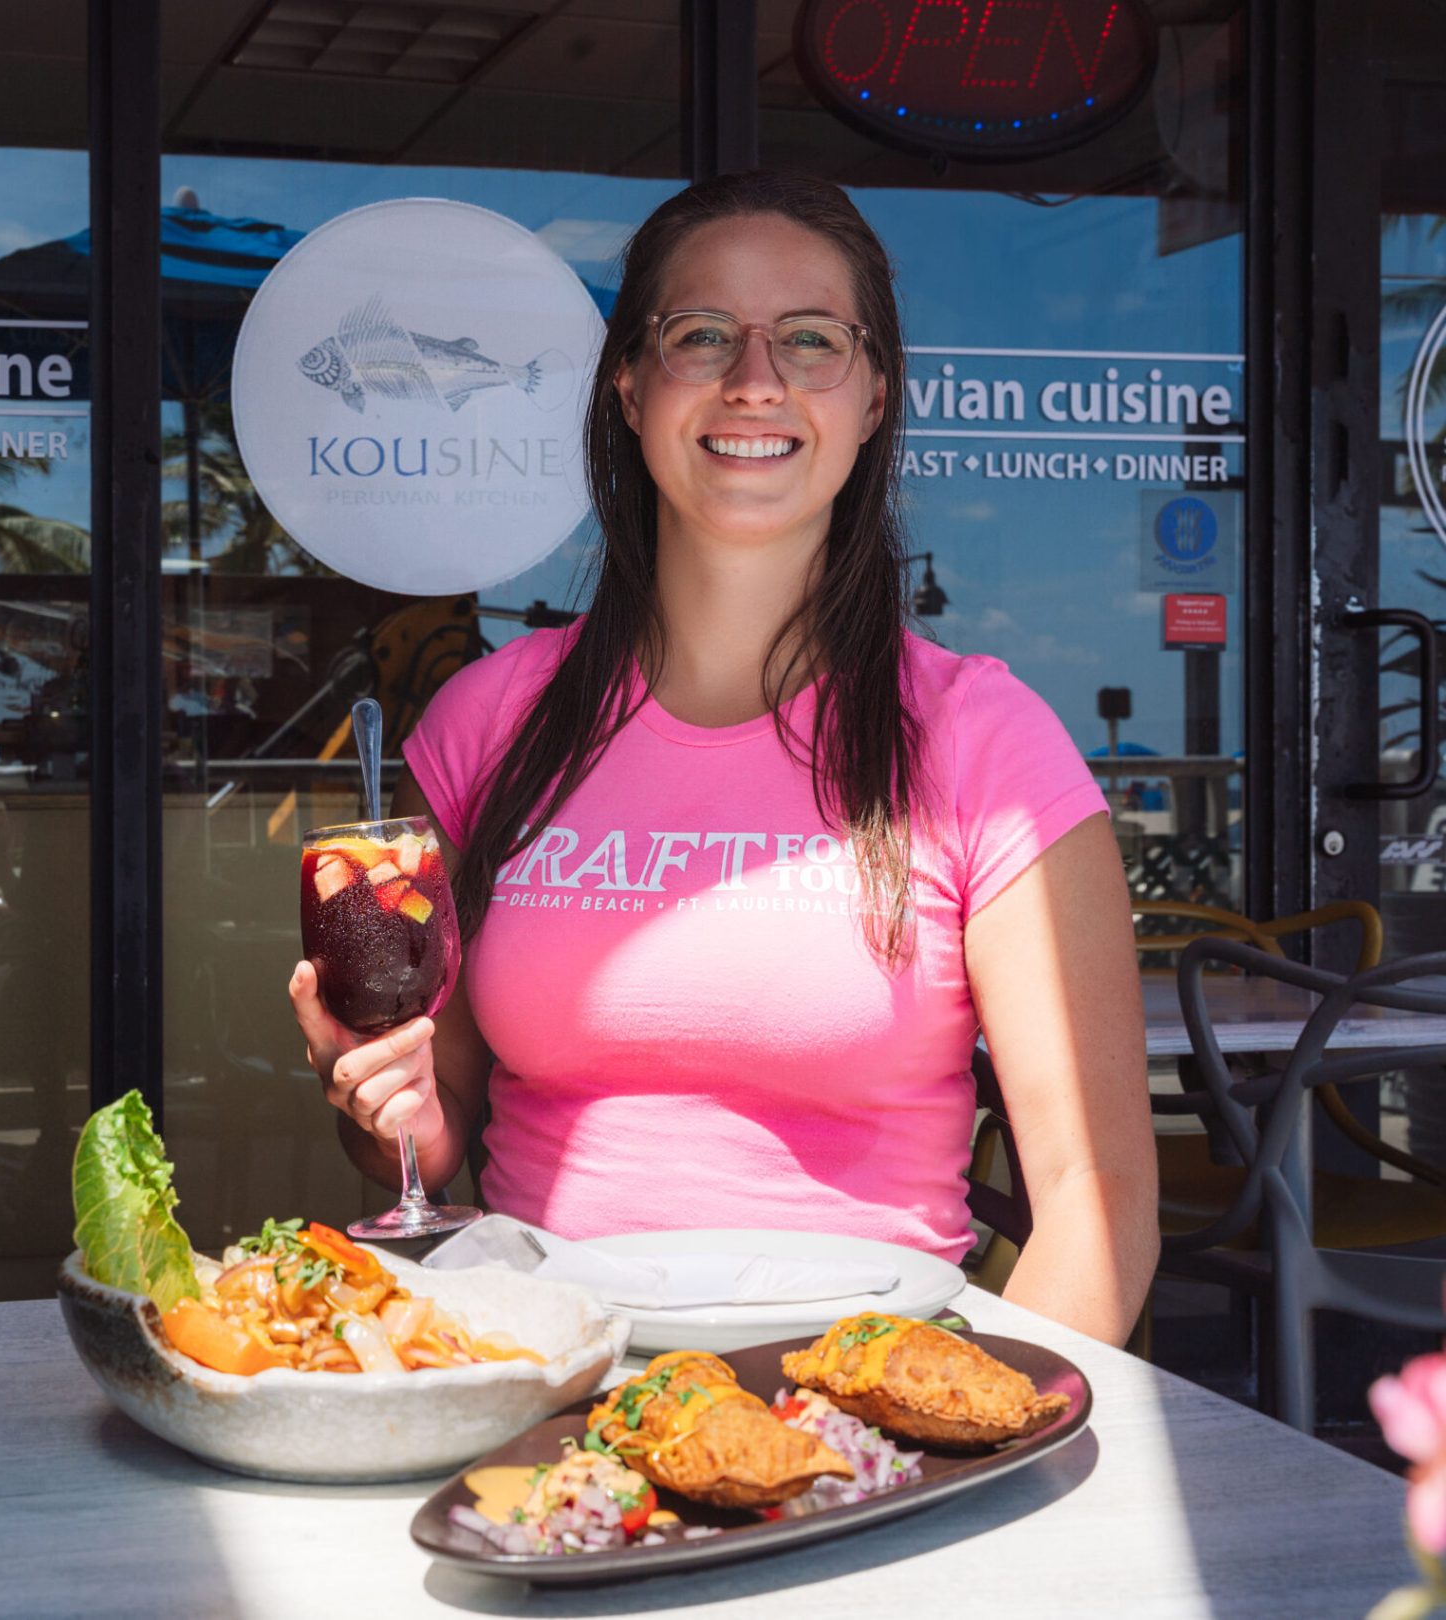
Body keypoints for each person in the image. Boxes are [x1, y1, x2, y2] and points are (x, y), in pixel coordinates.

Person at [287, 172, 1157, 1347]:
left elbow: (1100, 1209)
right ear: (630, 388)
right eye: (701, 336)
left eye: (811, 339)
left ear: (875, 397)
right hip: (539, 1392)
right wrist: (386, 1113)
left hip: (862, 1427)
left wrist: (965, 1444)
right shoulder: (486, 724)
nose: (757, 378)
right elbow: (421, 1145)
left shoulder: (984, 744)